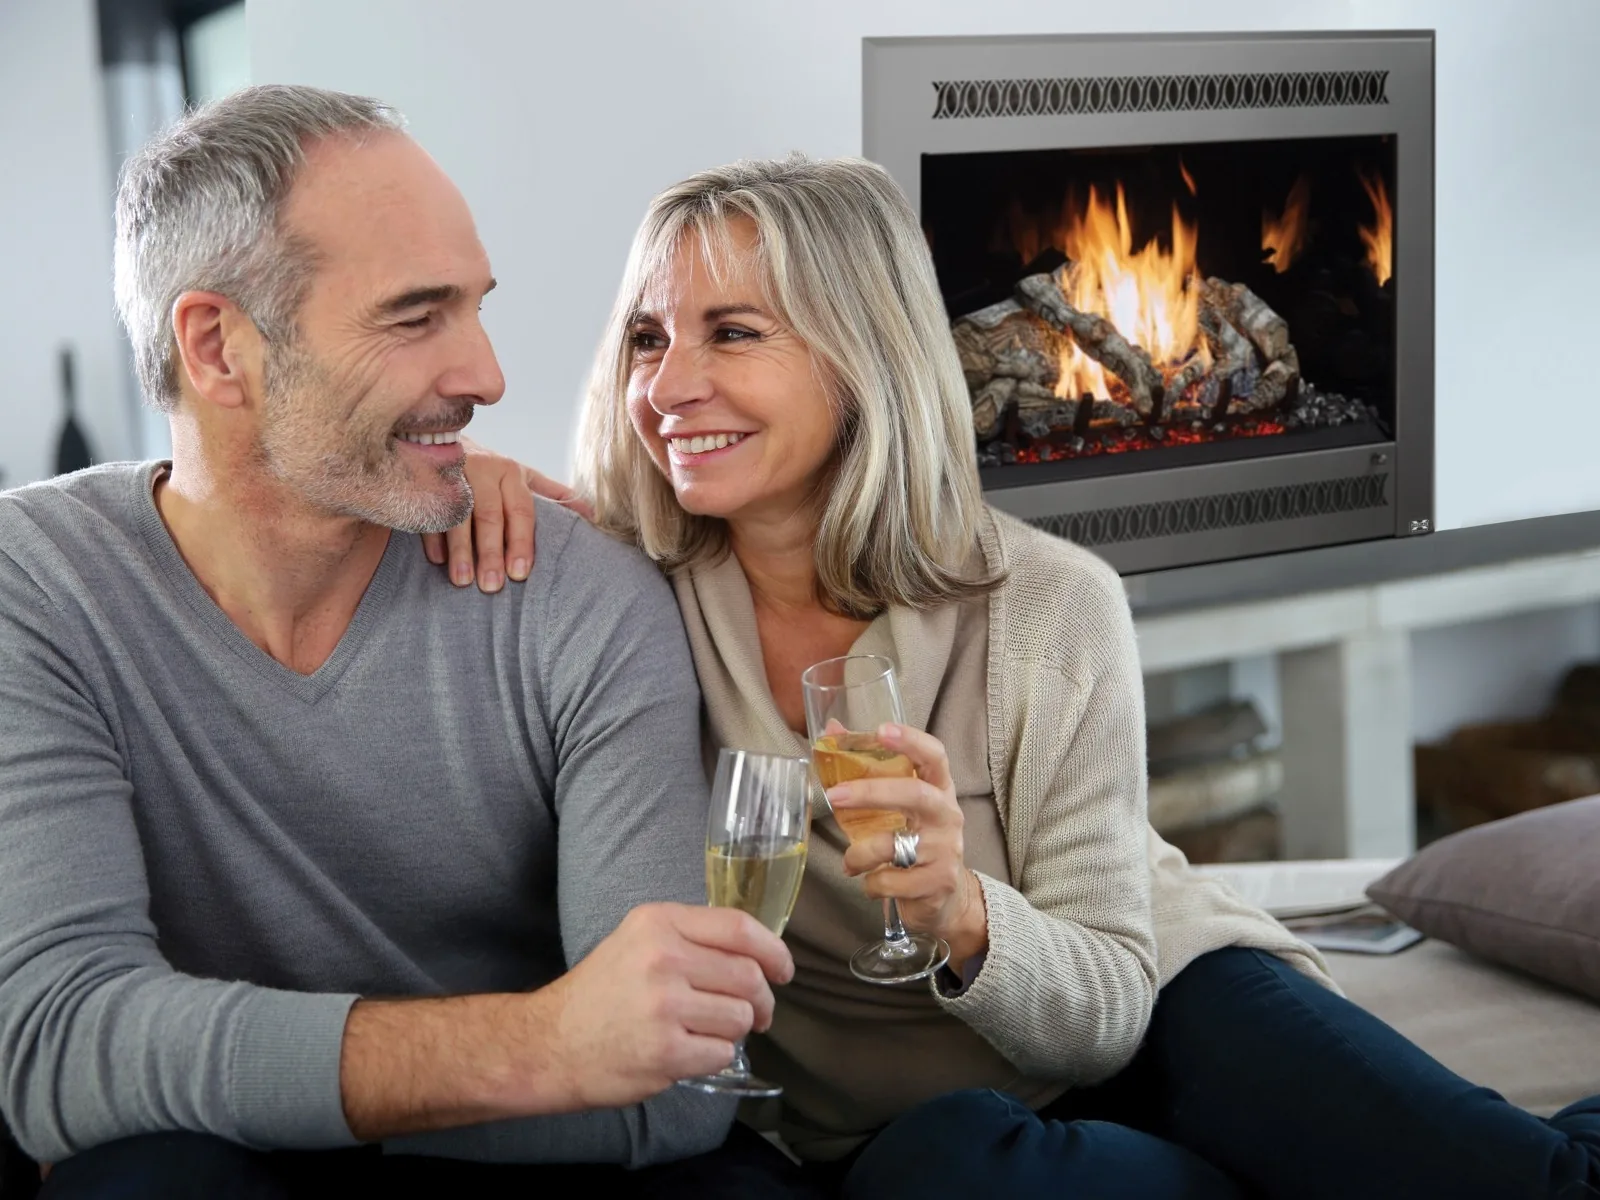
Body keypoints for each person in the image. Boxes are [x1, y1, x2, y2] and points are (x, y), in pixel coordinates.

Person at [441, 153, 1600, 1199]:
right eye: (647, 338)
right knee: (941, 1162)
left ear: (862, 355)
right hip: (904, 1131)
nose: (667, 387)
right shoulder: (622, 603)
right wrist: (469, 478)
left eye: (733, 333)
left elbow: (1108, 1006)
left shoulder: (1046, 604)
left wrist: (956, 909)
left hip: (1156, 1007)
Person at [0, 85, 804, 1199]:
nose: (487, 377)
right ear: (218, 347)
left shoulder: (577, 596)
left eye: (473, 308)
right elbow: (61, 1046)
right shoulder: (37, 587)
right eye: (415, 318)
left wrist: (233, 1089)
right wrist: (543, 1045)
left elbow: (673, 1074)